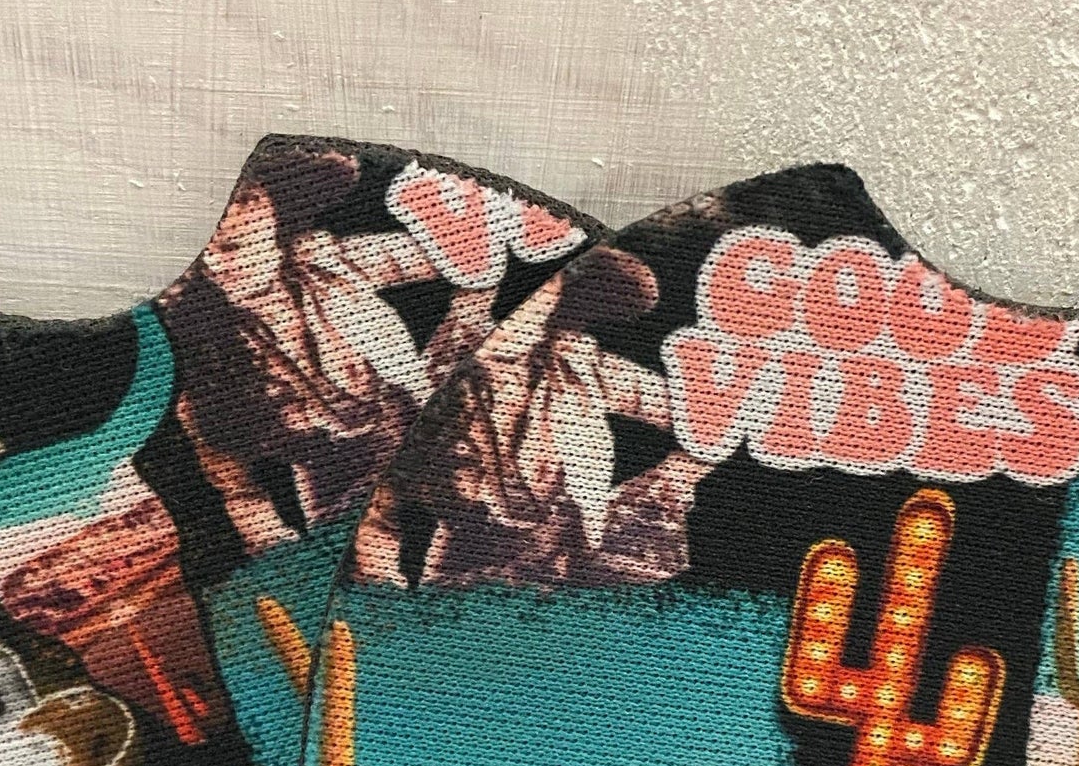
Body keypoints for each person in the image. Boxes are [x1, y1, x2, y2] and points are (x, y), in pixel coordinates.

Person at [160, 150, 490, 553]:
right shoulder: (196, 324)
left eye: (234, 246)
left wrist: (470, 271)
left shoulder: (326, 261)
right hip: (311, 461)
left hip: (401, 432)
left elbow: (439, 256)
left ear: (275, 224)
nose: (216, 262)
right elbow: (224, 458)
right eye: (210, 252)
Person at [387, 247, 714, 587]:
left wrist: (664, 483)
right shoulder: (471, 346)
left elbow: (702, 420)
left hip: (557, 554)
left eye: (592, 307)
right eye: (571, 298)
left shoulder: (589, 369)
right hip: (469, 540)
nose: (574, 318)